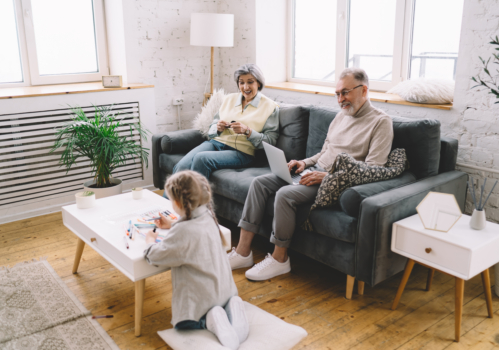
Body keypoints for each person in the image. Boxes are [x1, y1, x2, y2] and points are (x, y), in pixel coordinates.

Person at [228, 68, 394, 281]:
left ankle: (280, 259)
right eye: (337, 94)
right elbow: (325, 152)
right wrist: (303, 162)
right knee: (260, 183)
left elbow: (374, 169)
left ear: (364, 90)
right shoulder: (341, 116)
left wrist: (328, 177)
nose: (340, 99)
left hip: (335, 182)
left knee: (285, 195)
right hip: (313, 171)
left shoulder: (381, 122)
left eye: (345, 93)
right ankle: (243, 253)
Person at [144, 171, 249, 350]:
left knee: (183, 323)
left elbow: (156, 256)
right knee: (223, 300)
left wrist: (149, 242)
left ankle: (208, 319)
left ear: (177, 203)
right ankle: (232, 305)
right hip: (225, 291)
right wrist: (173, 223)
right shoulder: (208, 215)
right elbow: (190, 231)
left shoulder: (183, 232)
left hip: (203, 299)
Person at [172, 63, 279, 179]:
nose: (245, 87)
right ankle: (168, 198)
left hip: (242, 153)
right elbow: (212, 128)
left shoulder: (271, 107)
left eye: (250, 82)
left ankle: (195, 197)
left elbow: (270, 141)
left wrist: (247, 131)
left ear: (258, 83)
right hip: (215, 144)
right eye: (241, 82)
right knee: (181, 166)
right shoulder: (228, 99)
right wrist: (217, 127)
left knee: (201, 159)